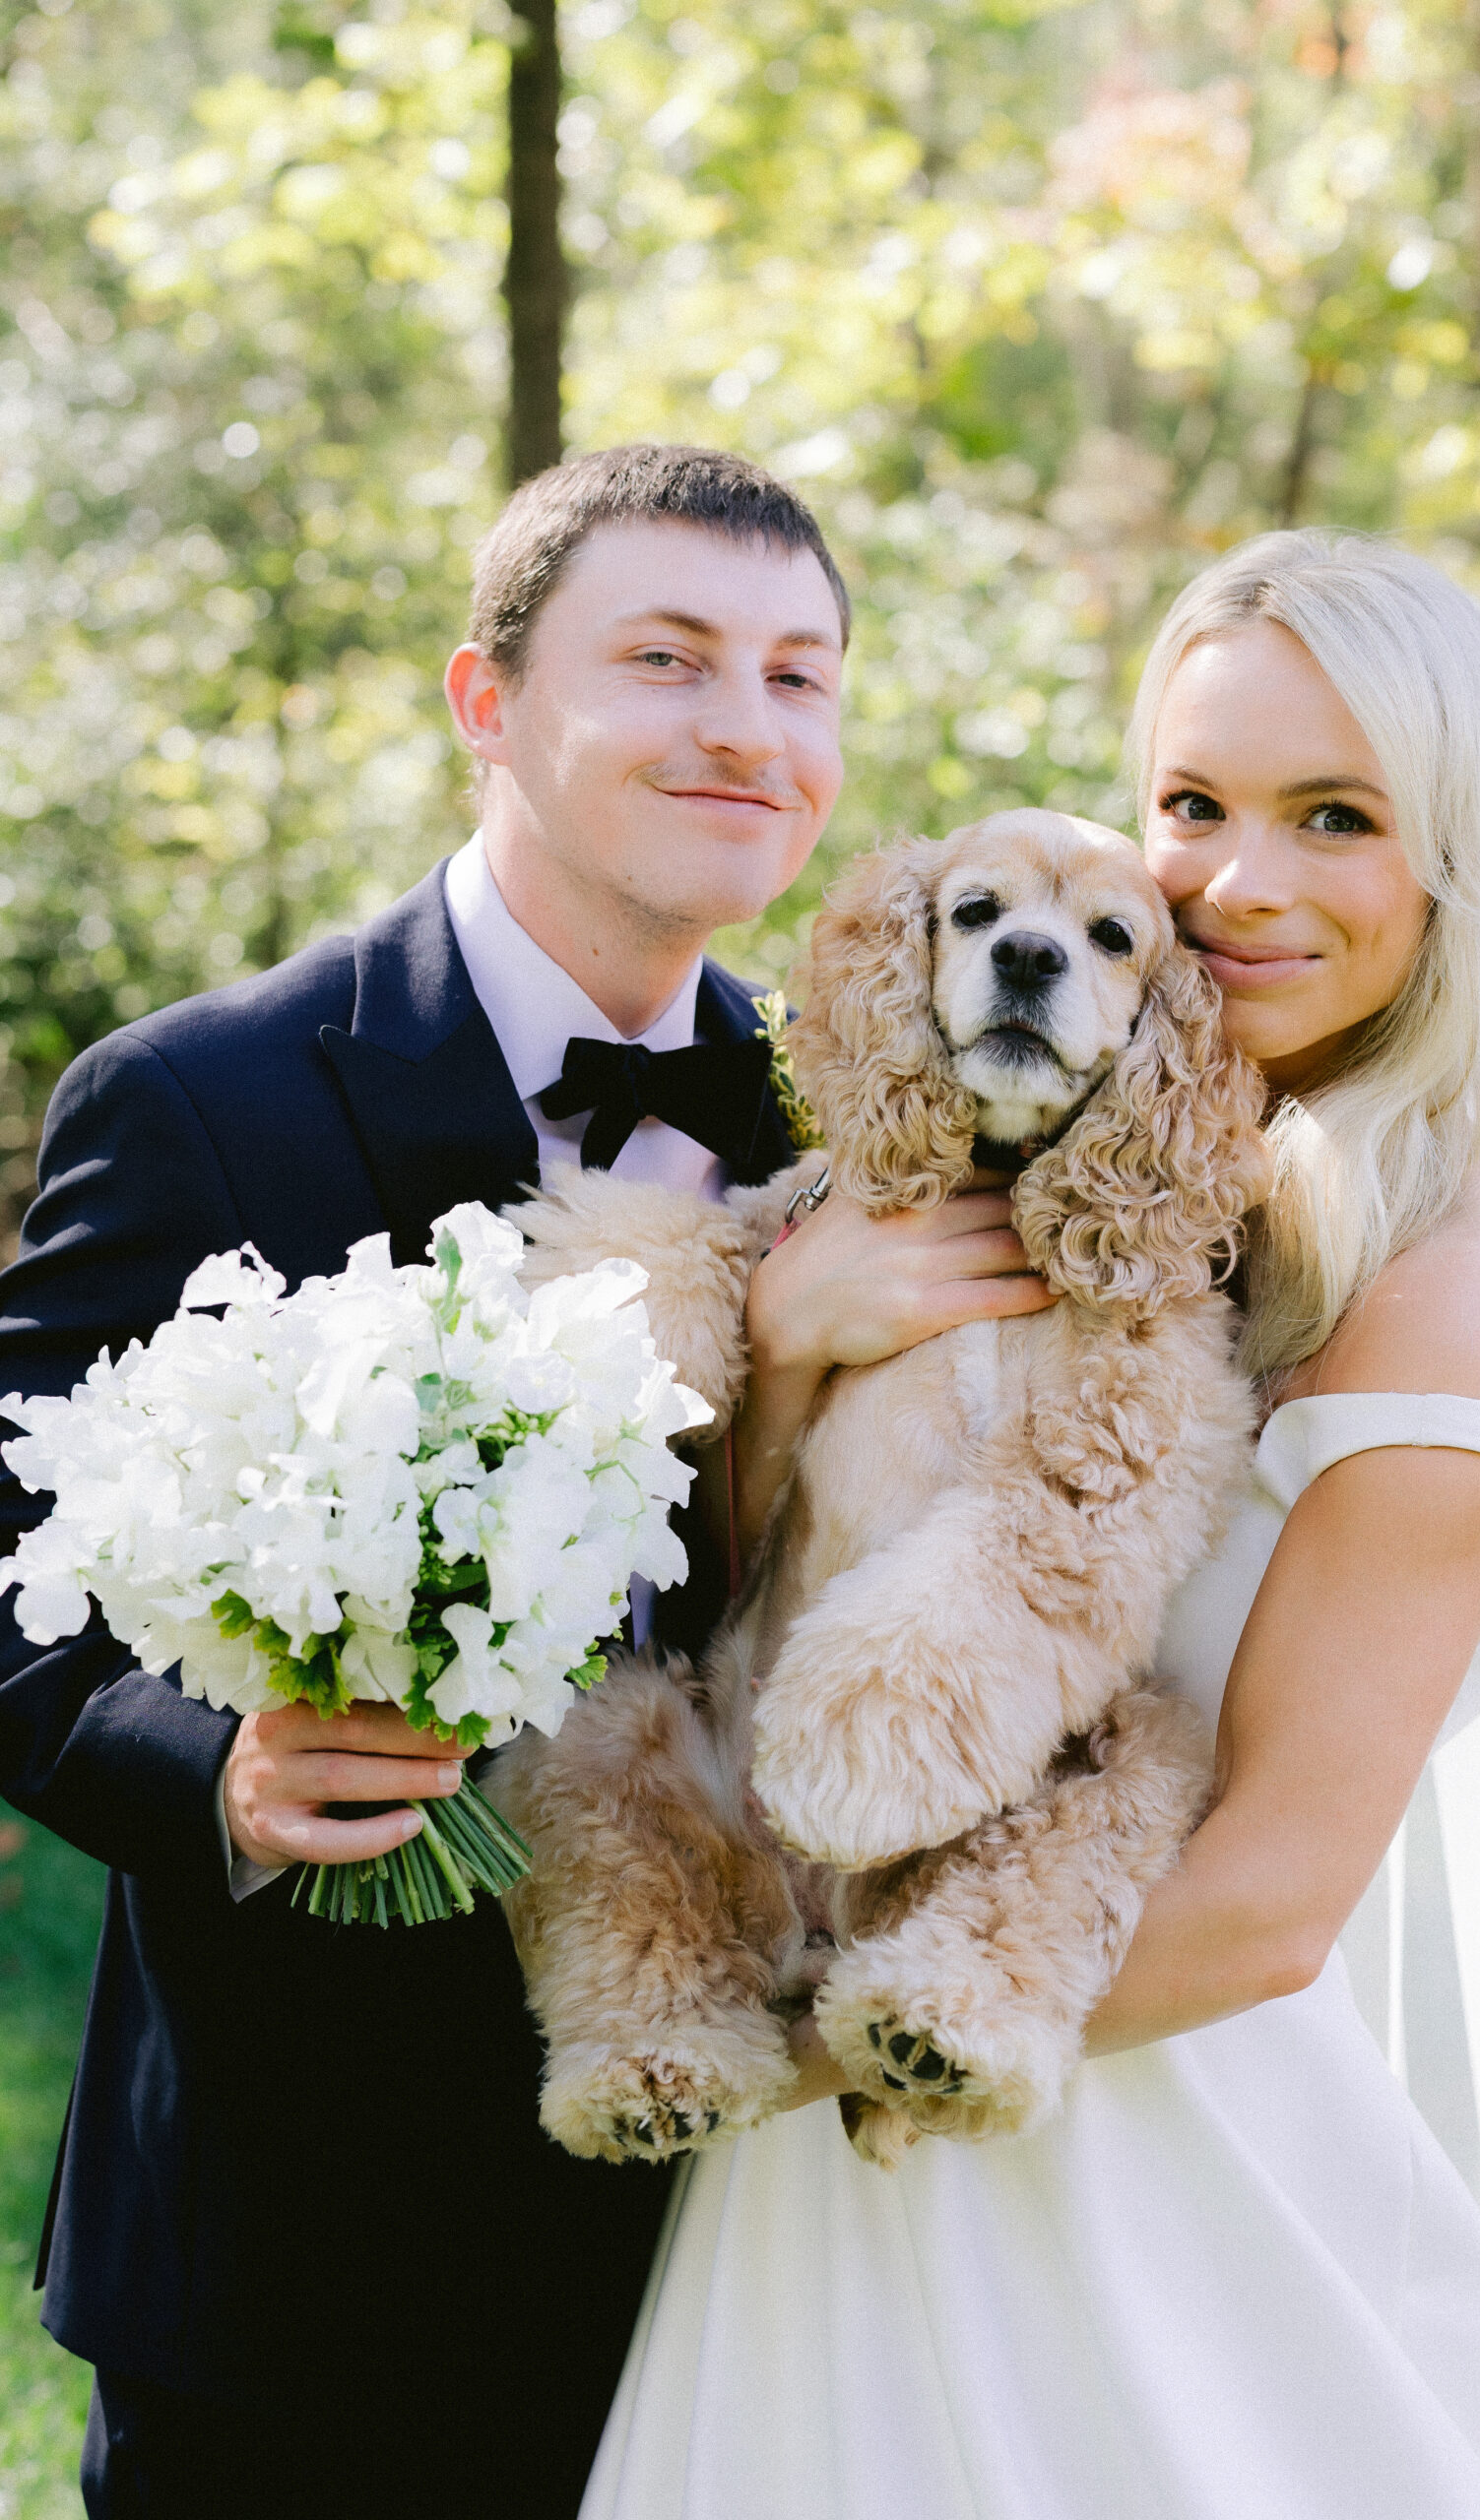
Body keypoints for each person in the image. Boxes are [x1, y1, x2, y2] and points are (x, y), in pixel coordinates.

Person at [581, 533, 1480, 2520]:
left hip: (1125, 2172)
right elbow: (787, 1584)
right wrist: (778, 1351)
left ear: (1454, 863)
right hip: (853, 2117)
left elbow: (1273, 1897)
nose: (1234, 881)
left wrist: (767, 2047)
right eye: (1193, 804)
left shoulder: (1462, 1281)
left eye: (1335, 816)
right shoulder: (1141, 1192)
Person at [0, 443, 1050, 2520]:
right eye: (665, 659)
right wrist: (211, 1764)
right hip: (306, 2248)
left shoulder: (869, 1119)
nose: (746, 726)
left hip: (743, 2221)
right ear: (487, 702)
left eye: (797, 675)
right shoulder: (202, 1100)